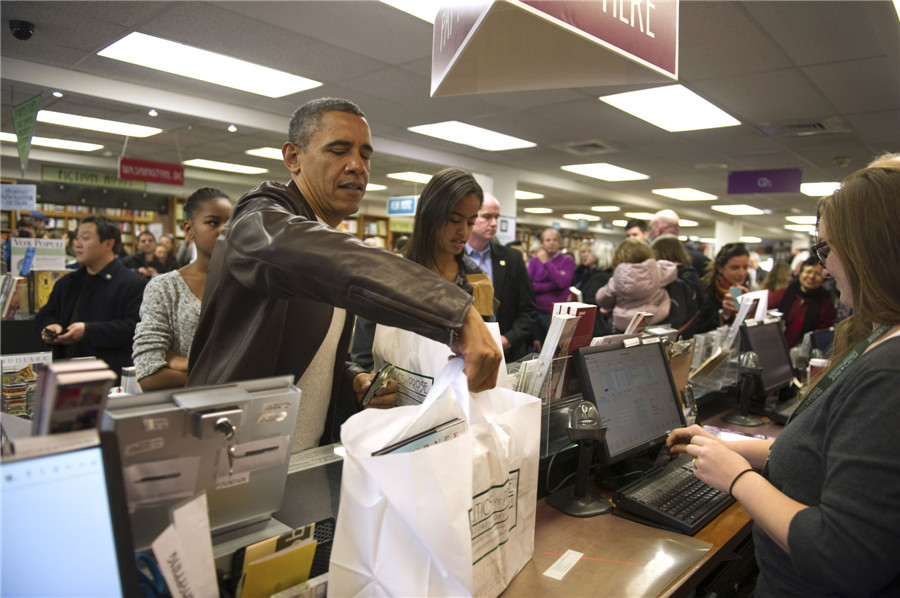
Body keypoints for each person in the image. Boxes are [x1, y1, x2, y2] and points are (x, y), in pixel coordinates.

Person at [187, 97, 501, 453]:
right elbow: (300, 251)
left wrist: (352, 378)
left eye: (365, 155)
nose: (357, 166)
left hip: (300, 461)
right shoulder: (258, 220)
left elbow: (305, 353)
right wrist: (456, 313)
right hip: (226, 455)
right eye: (339, 151)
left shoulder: (330, 242)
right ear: (293, 157)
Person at [666, 164, 900, 596]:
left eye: (827, 249)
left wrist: (738, 478)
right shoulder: (882, 338)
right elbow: (823, 451)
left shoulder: (890, 372)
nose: (824, 269)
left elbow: (844, 555)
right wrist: (727, 446)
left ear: (867, 250)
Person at [352, 168, 496, 369]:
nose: (463, 231)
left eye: (470, 222)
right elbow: (362, 357)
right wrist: (375, 382)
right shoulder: (385, 276)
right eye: (454, 220)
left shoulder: (478, 283)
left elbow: (485, 350)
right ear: (430, 215)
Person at [132, 188, 234, 390]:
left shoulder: (250, 283)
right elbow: (149, 375)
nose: (224, 230)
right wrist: (225, 374)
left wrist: (179, 361)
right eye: (213, 222)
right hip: (186, 407)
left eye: (231, 223)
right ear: (189, 229)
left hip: (245, 405)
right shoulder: (165, 288)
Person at [34, 216, 148, 375]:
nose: (78, 244)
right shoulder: (67, 282)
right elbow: (45, 314)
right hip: (64, 372)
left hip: (109, 373)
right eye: (77, 238)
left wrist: (88, 331)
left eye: (85, 238)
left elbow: (135, 328)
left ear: (108, 244)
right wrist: (52, 326)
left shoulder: (133, 284)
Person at [464, 192, 538, 361]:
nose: (494, 223)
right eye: (487, 217)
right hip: (462, 353)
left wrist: (507, 340)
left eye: (496, 217)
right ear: (470, 217)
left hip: (506, 354)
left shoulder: (512, 258)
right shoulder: (452, 258)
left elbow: (528, 310)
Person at [595, 238, 677, 333]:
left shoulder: (617, 279)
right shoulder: (658, 272)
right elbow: (671, 268)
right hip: (655, 320)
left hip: (623, 326)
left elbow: (602, 299)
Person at [651, 234, 713, 338]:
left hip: (674, 335)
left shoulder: (673, 280)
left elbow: (677, 314)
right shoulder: (690, 274)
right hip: (689, 333)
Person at [767, 256, 836, 348]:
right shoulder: (781, 295)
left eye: (818, 274)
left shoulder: (826, 306)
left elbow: (821, 337)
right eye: (808, 272)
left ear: (824, 280)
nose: (811, 277)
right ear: (800, 273)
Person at [528, 228, 575, 341]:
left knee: (554, 347)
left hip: (557, 314)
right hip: (536, 312)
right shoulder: (534, 261)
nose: (551, 243)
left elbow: (561, 283)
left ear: (559, 243)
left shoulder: (567, 260)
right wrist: (552, 285)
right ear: (542, 243)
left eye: (554, 240)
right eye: (548, 240)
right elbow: (529, 286)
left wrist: (546, 263)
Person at [701, 242, 750, 326]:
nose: (741, 273)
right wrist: (724, 314)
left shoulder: (746, 291)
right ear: (720, 268)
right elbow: (700, 328)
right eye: (735, 268)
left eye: (745, 267)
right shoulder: (707, 293)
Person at [649, 208, 709, 274]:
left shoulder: (649, 259)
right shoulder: (702, 260)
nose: (650, 232)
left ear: (659, 229)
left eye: (651, 228)